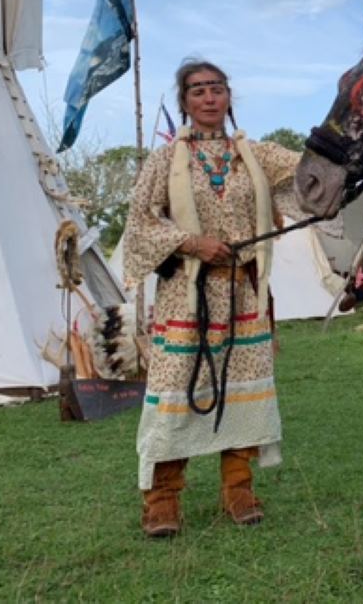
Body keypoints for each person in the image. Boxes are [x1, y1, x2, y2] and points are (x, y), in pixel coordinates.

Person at [122, 59, 302, 538]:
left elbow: (310, 175)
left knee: (245, 392)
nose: (208, 97)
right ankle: (162, 499)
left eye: (216, 88)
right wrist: (190, 242)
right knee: (177, 390)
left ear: (228, 97)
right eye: (198, 90)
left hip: (245, 291)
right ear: (185, 101)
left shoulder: (255, 155)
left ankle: (237, 489)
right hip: (188, 294)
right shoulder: (164, 160)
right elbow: (141, 220)